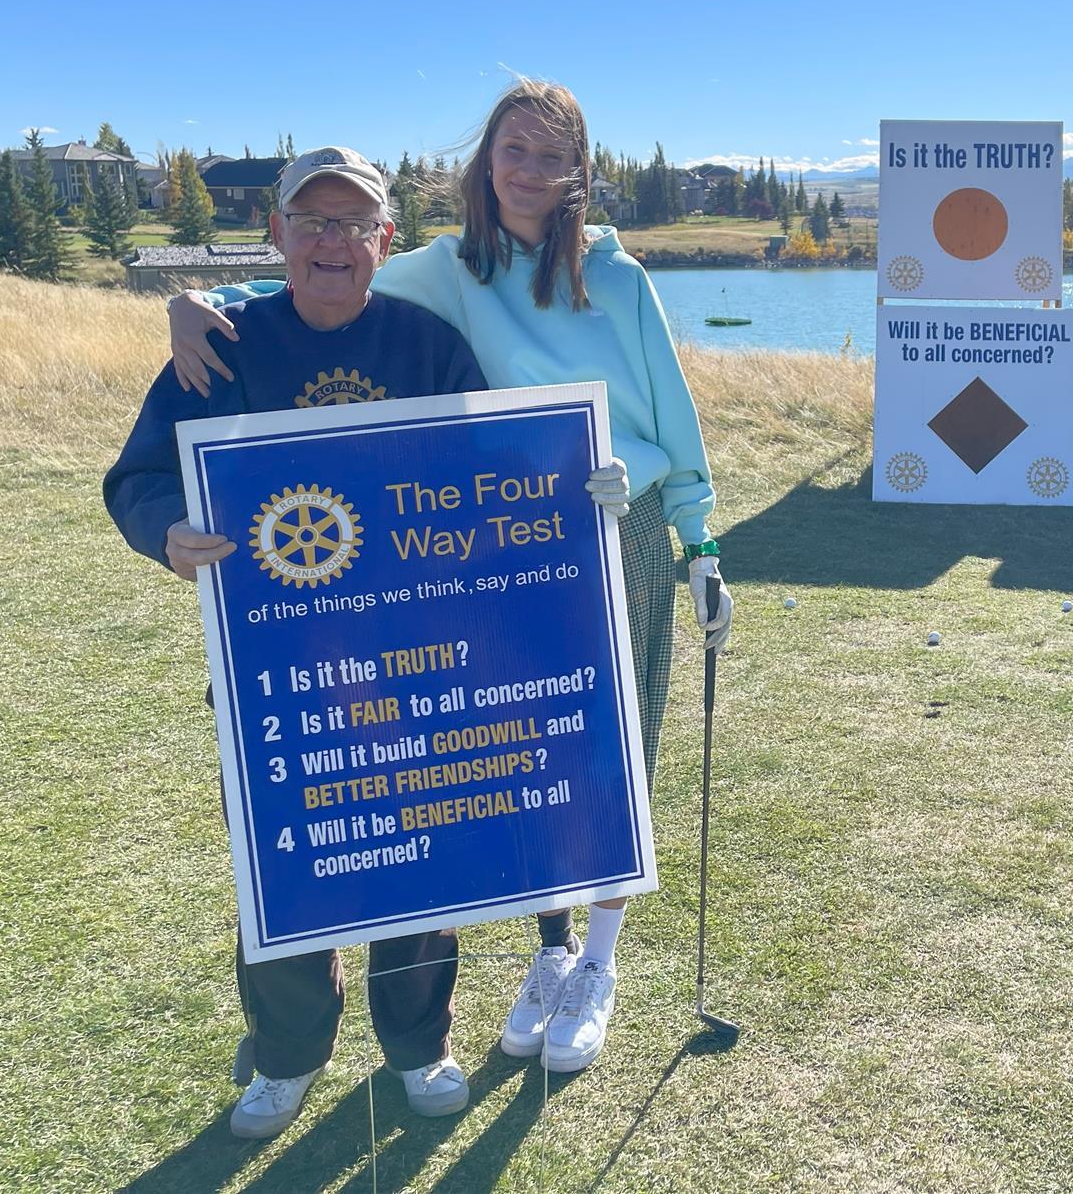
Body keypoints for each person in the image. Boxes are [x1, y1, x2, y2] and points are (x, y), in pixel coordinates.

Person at [165, 79, 735, 1075]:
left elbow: (667, 424)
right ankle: (549, 953)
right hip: (512, 543)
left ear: (578, 176)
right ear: (487, 161)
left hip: (622, 524)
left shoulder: (621, 278)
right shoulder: (447, 270)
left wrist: (699, 542)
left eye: (552, 158)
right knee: (527, 742)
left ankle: (598, 960)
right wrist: (200, 302)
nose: (529, 172)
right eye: (514, 151)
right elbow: (329, 280)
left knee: (613, 743)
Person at [105, 146, 504, 1139]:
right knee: (287, 864)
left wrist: (578, 480)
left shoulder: (427, 347)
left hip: (409, 662)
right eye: (311, 222)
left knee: (417, 860)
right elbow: (138, 477)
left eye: (352, 223)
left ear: (385, 238)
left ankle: (419, 1046)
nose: (332, 240)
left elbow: (493, 474)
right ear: (277, 235)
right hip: (272, 668)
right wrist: (166, 529)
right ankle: (285, 1058)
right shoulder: (221, 350)